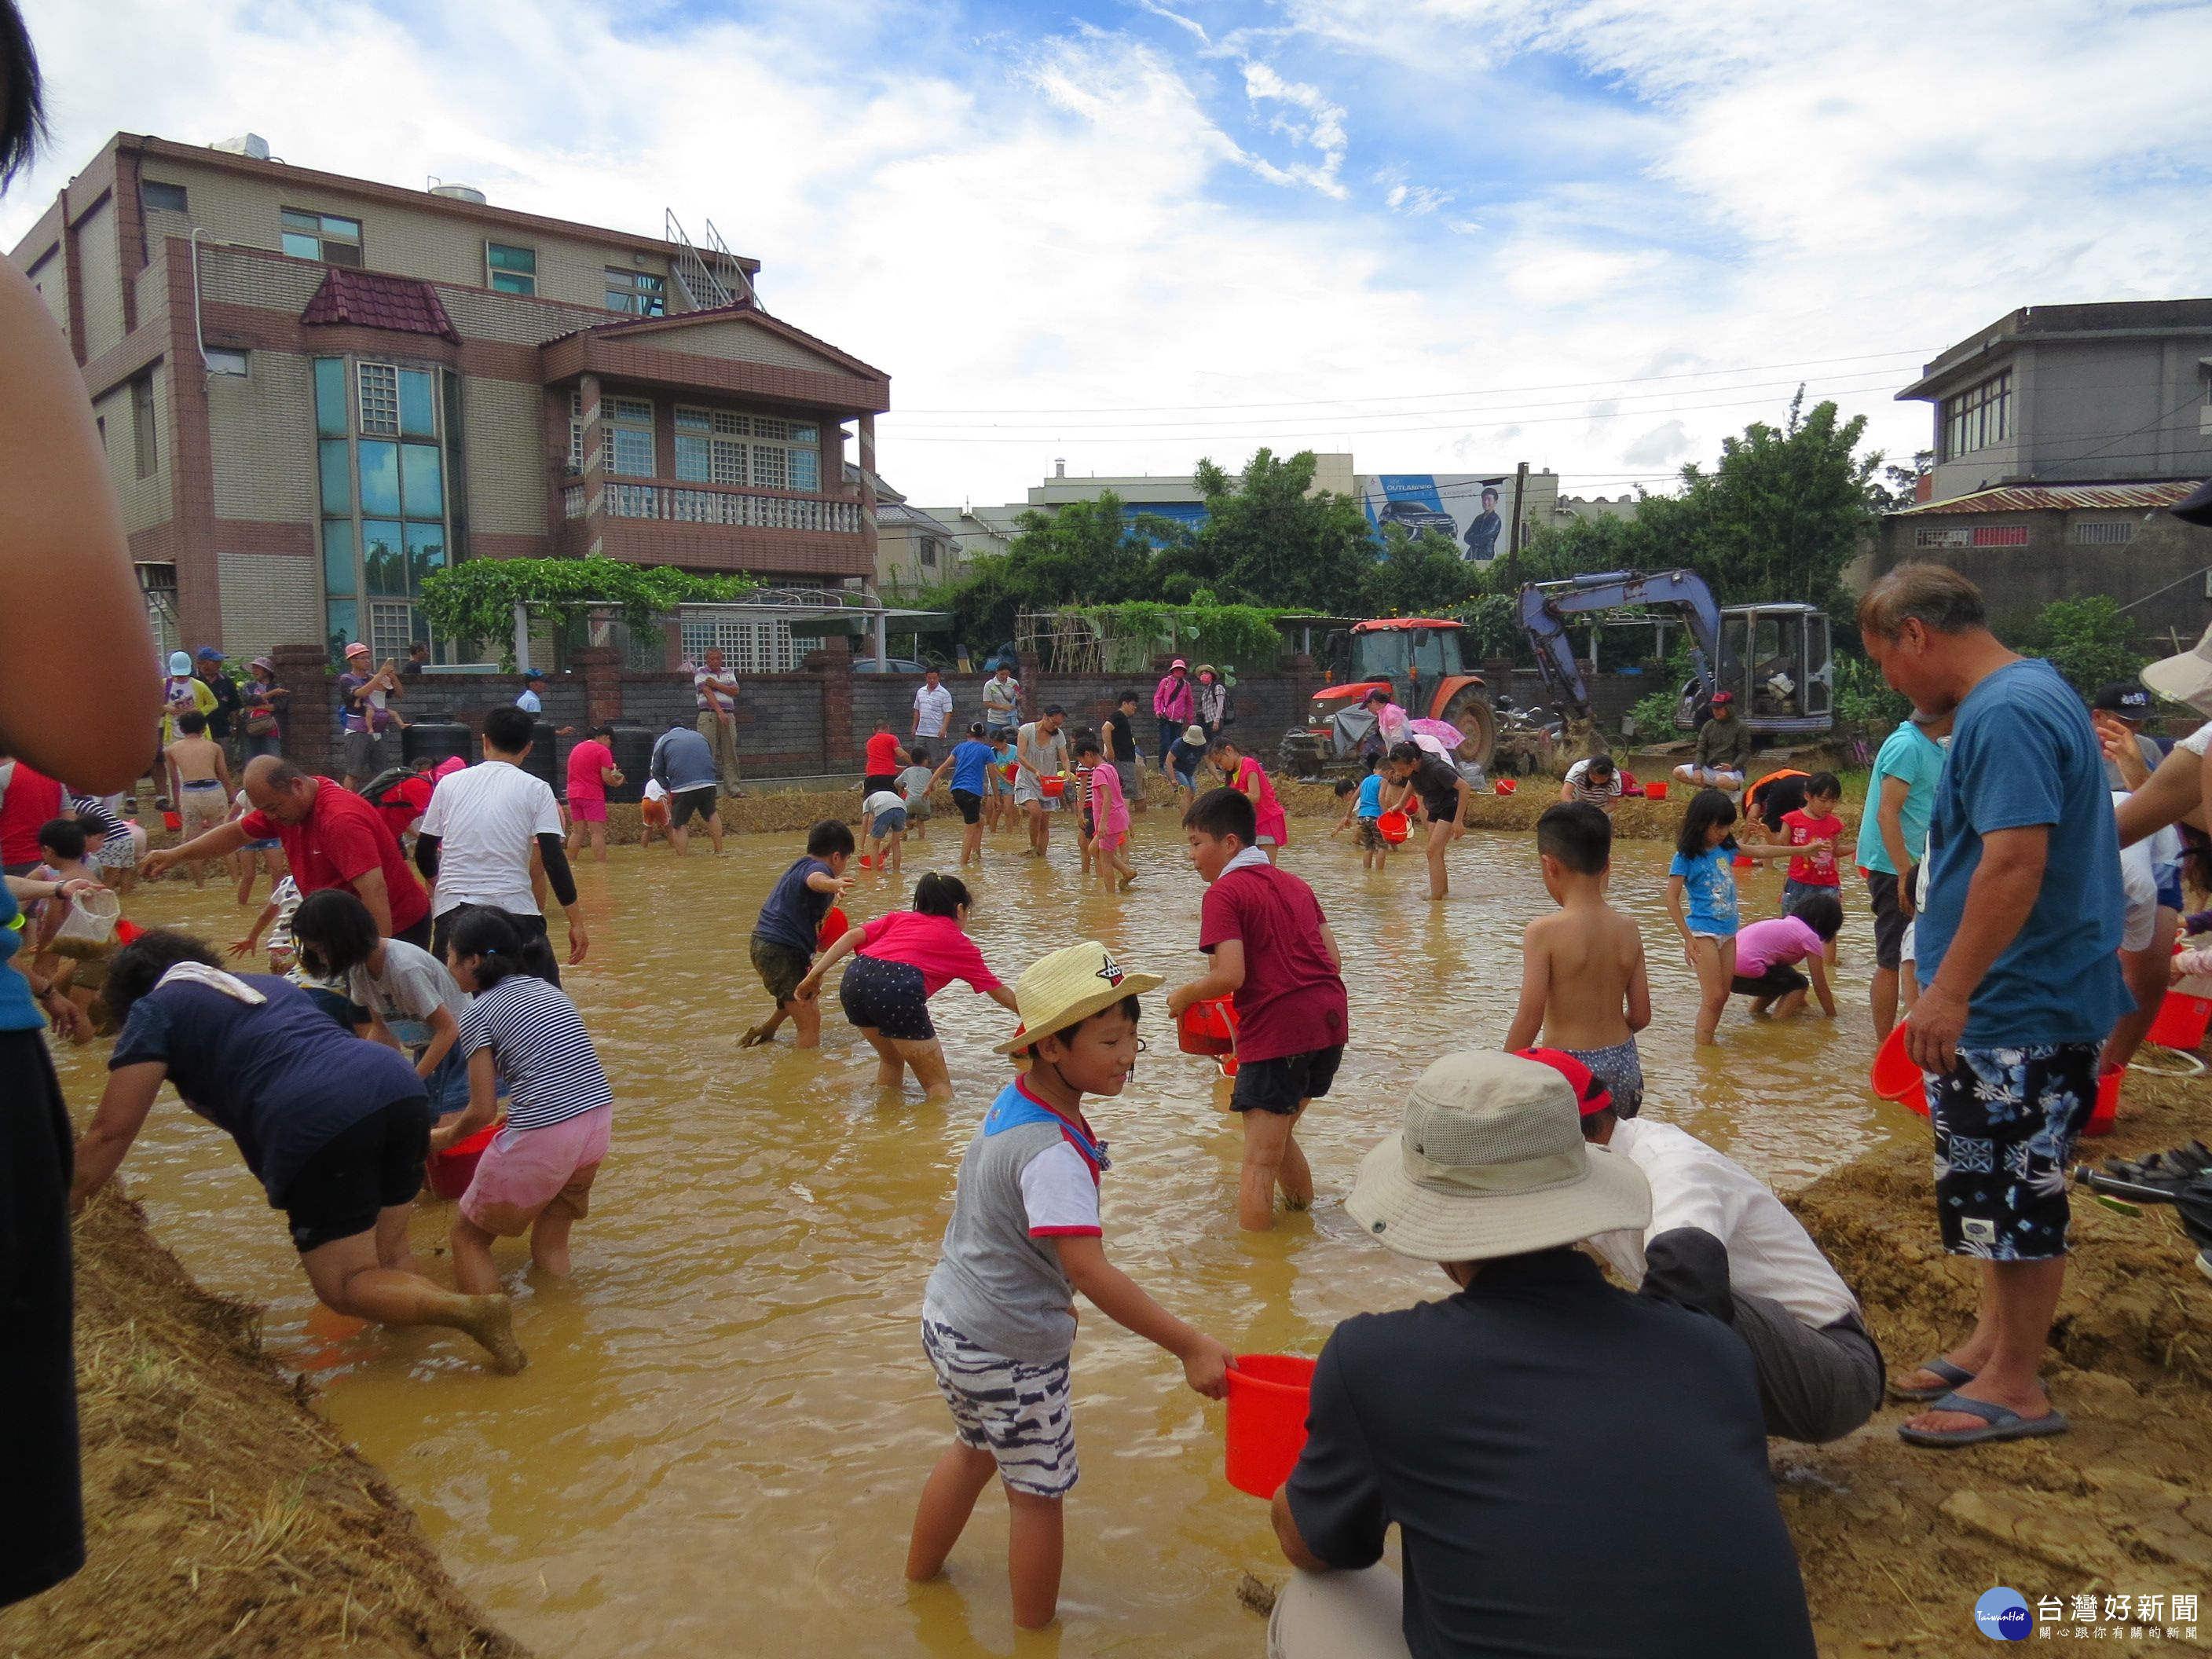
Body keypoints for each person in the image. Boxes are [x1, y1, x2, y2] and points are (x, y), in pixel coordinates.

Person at [1269, 1051, 1815, 1659]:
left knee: (1310, 1599)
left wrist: (1305, 1483)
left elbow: (1313, 1542)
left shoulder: (1378, 1361)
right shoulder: (1714, 1349)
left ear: (1438, 1233)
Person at [1860, 563, 2129, 1447]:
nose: (1890, 686)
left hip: (2016, 1002)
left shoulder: (2006, 712)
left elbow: (2014, 863)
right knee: (1991, 1184)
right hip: (2015, 997)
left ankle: (2016, 1384)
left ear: (1913, 636)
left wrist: (1946, 991)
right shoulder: (2023, 690)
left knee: (2019, 1189)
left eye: (1885, 664)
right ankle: (1989, 1341)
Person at [906, 941, 1232, 1631]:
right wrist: (1189, 1343)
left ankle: (920, 1587)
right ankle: (1035, 1638)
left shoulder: (1018, 1102)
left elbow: (1006, 1232)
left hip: (952, 1321)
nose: (1128, 1054)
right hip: (1006, 1348)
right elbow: (1089, 1267)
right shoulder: (1053, 1151)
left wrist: (1052, 1298)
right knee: (1037, 1496)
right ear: (1051, 1048)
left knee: (973, 1452)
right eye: (1110, 1039)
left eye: (1134, 1036)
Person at [71, 928, 524, 1372]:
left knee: (345, 1284)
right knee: (390, 1254)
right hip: (395, 1086)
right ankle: (415, 1358)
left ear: (131, 994)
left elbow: (112, 1131)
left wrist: (65, 1212)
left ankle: (469, 1313)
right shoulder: (263, 985)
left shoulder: (156, 1008)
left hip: (318, 1119)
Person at [1520, 1049, 1885, 1445]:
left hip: (1833, 1374)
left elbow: (1690, 1286)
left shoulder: (1668, 1164)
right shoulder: (1592, 1171)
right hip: (1777, 1361)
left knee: (1674, 1304)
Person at [1167, 788, 1347, 1230]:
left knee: (1258, 1162)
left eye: (1195, 844)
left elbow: (1230, 975)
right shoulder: (1297, 884)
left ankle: (1261, 1273)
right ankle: (1303, 1224)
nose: (1191, 857)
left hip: (1280, 1029)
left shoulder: (1223, 894)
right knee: (1279, 1140)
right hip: (1329, 1024)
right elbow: (1334, 960)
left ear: (1229, 844)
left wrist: (1183, 996)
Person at [434, 907, 613, 1297]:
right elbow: (558, 1070)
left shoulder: (476, 1012)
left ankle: (490, 1344)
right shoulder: (545, 989)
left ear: (475, 961)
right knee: (551, 1244)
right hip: (597, 1124)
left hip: (548, 1134)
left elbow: (480, 1110)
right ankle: (563, 1328)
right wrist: (516, 1119)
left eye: (450, 955)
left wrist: (442, 1139)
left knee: (468, 1238)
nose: (447, 965)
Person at [148, 756, 434, 947]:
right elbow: (236, 833)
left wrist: (380, 956)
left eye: (273, 808)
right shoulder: (288, 808)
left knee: (392, 1020)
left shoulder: (339, 819)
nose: (270, 818)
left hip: (395, 928)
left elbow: (375, 891)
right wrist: (176, 854)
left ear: (296, 786)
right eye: (264, 811)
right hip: (344, 930)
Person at [796, 873, 1020, 1101]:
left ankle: (886, 1122)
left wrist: (814, 976)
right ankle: (936, 1134)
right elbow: (1002, 994)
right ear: (960, 910)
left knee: (891, 1060)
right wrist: (1037, 1018)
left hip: (855, 979)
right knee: (937, 1085)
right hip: (897, 989)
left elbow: (853, 936)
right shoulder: (960, 944)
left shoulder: (899, 919)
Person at [1503, 802, 1650, 1115]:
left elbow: (1531, 1017)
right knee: (1615, 1153)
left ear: (1549, 864)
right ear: (1607, 864)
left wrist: (1502, 1071)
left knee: (1568, 1160)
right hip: (1624, 1063)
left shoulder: (1543, 931)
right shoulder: (1629, 928)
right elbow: (1641, 1015)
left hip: (1570, 1070)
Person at [416, 707, 587, 969]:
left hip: (454, 915)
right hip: (516, 913)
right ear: (528, 747)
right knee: (542, 1005)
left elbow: (424, 852)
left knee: (455, 1006)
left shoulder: (449, 784)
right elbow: (553, 860)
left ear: (484, 740)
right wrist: (576, 922)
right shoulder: (537, 789)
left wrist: (443, 888)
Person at [290, 888, 473, 1122]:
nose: (323, 960)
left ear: (345, 936)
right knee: (423, 1129)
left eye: (323, 951)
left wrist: (411, 1080)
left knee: (448, 1133)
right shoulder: (358, 970)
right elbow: (381, 1028)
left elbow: (449, 1029)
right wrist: (360, 1071)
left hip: (461, 1045)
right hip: (428, 1046)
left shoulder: (404, 968)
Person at [1855, 708, 1948, 1042]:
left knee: (1919, 952)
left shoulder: (1937, 747)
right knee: (1891, 957)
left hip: (1922, 866)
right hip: (1895, 867)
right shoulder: (1907, 745)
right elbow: (1887, 814)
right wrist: (1903, 875)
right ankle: (1884, 1046)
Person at [741, 820, 856, 1049]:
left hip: (769, 944)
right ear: (836, 857)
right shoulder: (818, 871)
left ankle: (766, 1030)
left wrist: (812, 969)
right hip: (780, 948)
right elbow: (815, 880)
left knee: (801, 994)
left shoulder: (799, 865)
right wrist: (832, 884)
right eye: (847, 859)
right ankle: (805, 1080)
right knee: (810, 1024)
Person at [1666, 788, 1741, 1046]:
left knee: (1723, 995)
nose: (1723, 833)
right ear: (1701, 823)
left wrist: (1802, 850)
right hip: (1702, 932)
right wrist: (1688, 938)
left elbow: (1759, 851)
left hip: (1729, 931)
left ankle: (1709, 1046)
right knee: (1713, 997)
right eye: (1718, 827)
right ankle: (1705, 1052)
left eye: (1727, 827)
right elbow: (1671, 898)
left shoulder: (1726, 849)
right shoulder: (1685, 857)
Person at [1744, 769, 1845, 929]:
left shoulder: (1835, 823)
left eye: (1833, 801)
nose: (1828, 806)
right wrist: (1769, 835)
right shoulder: (1792, 819)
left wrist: (1857, 849)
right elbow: (1782, 845)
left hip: (1827, 885)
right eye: (1823, 800)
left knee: (1826, 931)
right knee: (1791, 928)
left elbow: (1835, 852)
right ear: (1808, 796)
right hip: (1798, 883)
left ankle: (1824, 956)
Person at [1381, 740, 1469, 902]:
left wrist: (1458, 821)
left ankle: (1436, 901)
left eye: (1401, 769)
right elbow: (1413, 781)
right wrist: (1400, 804)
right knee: (1436, 852)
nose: (1399, 773)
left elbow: (1464, 787)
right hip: (1436, 803)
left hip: (1451, 804)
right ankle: (1443, 893)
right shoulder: (1413, 769)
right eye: (1396, 769)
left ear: (1413, 762)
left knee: (1431, 851)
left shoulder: (1437, 769)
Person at [1731, 895, 1841, 1020]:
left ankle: (1755, 1013)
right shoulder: (1809, 937)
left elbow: (1784, 976)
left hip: (1724, 972)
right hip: (1748, 971)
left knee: (1786, 977)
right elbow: (1820, 986)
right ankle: (1778, 1024)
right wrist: (1832, 1017)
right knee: (1800, 983)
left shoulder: (1783, 924)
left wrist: (1805, 1008)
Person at [160, 710, 232, 888]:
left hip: (190, 793)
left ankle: (200, 885)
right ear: (203, 728)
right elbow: (223, 774)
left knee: (192, 842)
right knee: (226, 837)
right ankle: (235, 881)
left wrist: (176, 805)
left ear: (181, 728)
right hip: (214, 790)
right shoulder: (214, 747)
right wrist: (232, 796)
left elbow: (175, 781)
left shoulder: (171, 749)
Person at [1207, 735, 1288, 865]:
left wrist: (1230, 797)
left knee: (1266, 870)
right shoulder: (1232, 774)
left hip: (1267, 821)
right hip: (1251, 825)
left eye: (1220, 761)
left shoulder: (1248, 764)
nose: (1221, 766)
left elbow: (1255, 796)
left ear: (1229, 750)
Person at [650, 716, 724, 857]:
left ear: (669, 730)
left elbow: (656, 771)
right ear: (687, 728)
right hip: (708, 782)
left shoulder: (664, 740)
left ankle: (682, 858)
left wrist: (668, 788)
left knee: (679, 823)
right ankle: (719, 851)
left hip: (682, 786)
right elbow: (709, 758)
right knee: (711, 814)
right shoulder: (700, 736)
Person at [337, 642, 404, 789]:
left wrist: (392, 677)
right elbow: (360, 693)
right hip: (358, 730)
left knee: (381, 772)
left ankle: (379, 803)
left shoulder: (374, 678)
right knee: (354, 772)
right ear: (353, 660)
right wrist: (379, 675)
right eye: (363, 658)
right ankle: (348, 802)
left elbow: (399, 694)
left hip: (380, 729)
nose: (367, 661)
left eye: (368, 658)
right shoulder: (347, 679)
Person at [1014, 706, 1070, 859]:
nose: (1055, 727)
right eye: (1053, 723)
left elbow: (1064, 758)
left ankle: (1041, 857)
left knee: (1044, 824)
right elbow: (1021, 756)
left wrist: (1067, 770)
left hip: (1048, 783)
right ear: (1045, 717)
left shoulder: (1058, 735)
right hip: (1027, 779)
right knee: (1036, 811)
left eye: (1059, 724)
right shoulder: (1026, 730)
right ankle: (1033, 846)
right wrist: (1035, 771)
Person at [0, 745, 64, 876]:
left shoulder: (4, 774)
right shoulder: (54, 777)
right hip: (46, 858)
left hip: (9, 859)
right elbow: (69, 820)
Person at [563, 723, 623, 863]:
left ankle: (571, 863)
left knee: (577, 832)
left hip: (573, 794)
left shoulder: (577, 748)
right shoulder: (603, 751)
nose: (610, 746)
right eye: (611, 743)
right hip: (591, 794)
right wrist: (618, 782)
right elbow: (607, 777)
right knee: (597, 833)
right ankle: (601, 867)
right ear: (606, 737)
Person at [1674, 689, 1751, 792]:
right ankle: (1710, 789)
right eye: (1714, 708)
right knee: (1678, 772)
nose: (1715, 711)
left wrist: (1733, 767)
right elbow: (1701, 750)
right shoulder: (1709, 725)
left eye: (1719, 708)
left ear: (1729, 708)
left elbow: (1744, 752)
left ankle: (1736, 789)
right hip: (1710, 767)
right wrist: (1697, 768)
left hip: (1731, 771)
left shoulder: (1741, 727)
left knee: (1721, 780)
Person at [1085, 734, 1136, 888]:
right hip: (1118, 816)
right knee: (1093, 848)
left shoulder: (1099, 772)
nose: (1082, 763)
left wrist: (1102, 824)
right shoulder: (1109, 767)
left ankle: (1110, 900)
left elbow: (1107, 797)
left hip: (1110, 820)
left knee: (1105, 859)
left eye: (1081, 760)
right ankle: (1127, 871)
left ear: (1088, 754)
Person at [1329, 755, 1396, 872]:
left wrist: (1347, 816)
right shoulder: (1383, 781)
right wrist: (1387, 816)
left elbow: (1354, 797)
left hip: (1362, 818)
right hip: (1375, 817)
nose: (1390, 778)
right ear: (1389, 772)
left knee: (1369, 847)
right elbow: (1381, 799)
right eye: (1391, 775)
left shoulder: (1365, 780)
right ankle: (1379, 873)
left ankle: (1367, 871)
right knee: (1382, 846)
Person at [693, 646, 744, 795]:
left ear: (722, 659)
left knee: (730, 753)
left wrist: (717, 685)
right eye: (711, 659)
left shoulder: (728, 673)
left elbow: (735, 691)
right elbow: (707, 692)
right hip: (709, 715)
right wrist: (720, 712)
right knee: (708, 752)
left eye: (717, 658)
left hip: (729, 715)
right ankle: (708, 789)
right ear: (707, 660)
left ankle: (733, 789)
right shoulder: (701, 672)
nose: (715, 661)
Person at [943, 723, 995, 866]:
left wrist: (929, 785)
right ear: (984, 737)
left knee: (980, 821)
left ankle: (976, 853)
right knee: (969, 830)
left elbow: (943, 767)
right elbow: (992, 776)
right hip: (972, 792)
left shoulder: (959, 748)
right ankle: (963, 866)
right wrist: (996, 796)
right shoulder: (986, 751)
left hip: (956, 791)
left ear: (968, 735)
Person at [229, 784, 285, 905]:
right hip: (246, 834)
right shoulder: (244, 794)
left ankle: (277, 905)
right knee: (248, 876)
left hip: (269, 833)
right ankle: (241, 907)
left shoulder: (275, 793)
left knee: (278, 872)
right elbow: (231, 815)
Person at [159, 649, 217, 749]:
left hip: (197, 732)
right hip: (173, 732)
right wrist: (166, 708)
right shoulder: (164, 684)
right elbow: (150, 704)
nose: (181, 677)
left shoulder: (199, 685)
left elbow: (213, 704)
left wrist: (198, 711)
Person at [238, 656, 288, 764]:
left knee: (273, 762)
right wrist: (273, 693)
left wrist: (255, 707)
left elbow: (278, 706)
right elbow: (250, 699)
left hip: (272, 728)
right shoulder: (248, 686)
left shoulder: (278, 686)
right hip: (250, 728)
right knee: (251, 761)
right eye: (253, 668)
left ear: (266, 672)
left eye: (257, 668)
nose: (254, 671)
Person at [194, 645, 241, 755]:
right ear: (203, 663)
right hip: (199, 733)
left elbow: (234, 707)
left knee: (226, 765)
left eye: (220, 661)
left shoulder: (226, 681)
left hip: (222, 732)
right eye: (215, 661)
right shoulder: (191, 679)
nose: (219, 664)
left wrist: (233, 727)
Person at [1152, 657, 1194, 776]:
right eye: (1177, 669)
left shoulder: (1186, 685)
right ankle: (1162, 766)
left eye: (1181, 669)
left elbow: (1189, 703)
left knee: (1175, 745)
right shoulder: (1165, 682)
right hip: (1165, 718)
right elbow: (1157, 697)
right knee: (1165, 743)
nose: (1179, 672)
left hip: (1178, 720)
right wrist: (1158, 710)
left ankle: (1172, 767)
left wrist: (1189, 720)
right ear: (1172, 670)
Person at [1103, 689, 1144, 811]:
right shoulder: (1119, 716)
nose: (1134, 708)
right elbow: (1105, 729)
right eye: (1133, 704)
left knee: (1122, 790)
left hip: (1124, 760)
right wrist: (1110, 751)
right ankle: (1124, 822)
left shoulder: (1122, 718)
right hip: (1123, 761)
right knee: (1126, 791)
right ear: (1124, 703)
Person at [861, 780, 907, 875]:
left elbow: (864, 826)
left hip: (884, 808)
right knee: (896, 844)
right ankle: (896, 873)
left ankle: (875, 874)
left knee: (875, 844)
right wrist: (888, 847)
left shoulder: (867, 801)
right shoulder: (887, 794)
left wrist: (860, 850)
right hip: (902, 807)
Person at [1558, 751, 1623, 811]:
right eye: (1594, 778)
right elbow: (1565, 794)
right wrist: (1577, 810)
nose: (1597, 782)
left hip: (1600, 807)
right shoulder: (1578, 770)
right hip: (1576, 803)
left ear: (1609, 776)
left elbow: (1612, 803)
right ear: (1588, 771)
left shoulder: (1615, 778)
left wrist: (1597, 812)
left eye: (1603, 779)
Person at [1165, 721, 1208, 811]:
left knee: (1192, 792)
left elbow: (1209, 761)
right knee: (1186, 792)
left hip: (1188, 772)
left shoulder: (1203, 746)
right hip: (1176, 769)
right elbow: (1169, 761)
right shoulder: (1179, 744)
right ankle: (1184, 820)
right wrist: (1173, 778)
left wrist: (1216, 776)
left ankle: (1188, 814)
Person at [897, 742, 936, 844]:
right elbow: (933, 787)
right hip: (924, 802)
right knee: (921, 823)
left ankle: (905, 831)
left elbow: (896, 782)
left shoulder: (907, 771)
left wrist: (901, 790)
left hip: (910, 801)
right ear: (925, 760)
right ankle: (921, 841)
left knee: (908, 821)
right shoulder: (928, 772)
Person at [911, 666, 954, 745]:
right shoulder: (920, 691)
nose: (932, 680)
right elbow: (917, 710)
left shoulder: (945, 694)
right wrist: (914, 727)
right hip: (921, 732)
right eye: (929, 678)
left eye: (934, 678)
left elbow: (948, 712)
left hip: (935, 733)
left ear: (938, 677)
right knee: (918, 755)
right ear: (926, 677)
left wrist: (943, 729)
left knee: (935, 756)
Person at [980, 662, 1021, 739]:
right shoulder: (989, 685)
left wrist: (1018, 698)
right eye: (1002, 674)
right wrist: (1003, 707)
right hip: (995, 720)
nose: (1004, 677)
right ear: (997, 672)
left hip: (1011, 720)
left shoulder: (1014, 683)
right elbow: (986, 703)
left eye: (1007, 675)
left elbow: (1018, 694)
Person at [862, 722, 903, 797]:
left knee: (870, 801)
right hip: (888, 776)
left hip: (872, 776)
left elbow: (879, 760)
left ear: (874, 730)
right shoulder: (892, 738)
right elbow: (901, 754)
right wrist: (913, 762)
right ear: (887, 729)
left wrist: (896, 767)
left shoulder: (869, 742)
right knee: (892, 799)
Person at [1196, 665, 1229, 742]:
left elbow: (1220, 705)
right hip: (1206, 721)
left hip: (1214, 720)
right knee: (1208, 743)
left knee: (1216, 743)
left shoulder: (1217, 687)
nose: (1204, 676)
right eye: (1202, 674)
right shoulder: (1205, 690)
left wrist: (1216, 721)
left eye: (1206, 673)